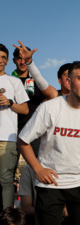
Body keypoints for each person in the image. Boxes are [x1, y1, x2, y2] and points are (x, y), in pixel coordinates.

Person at [17, 61, 80, 225]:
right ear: (69, 81)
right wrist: (38, 169)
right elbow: (23, 141)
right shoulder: (49, 108)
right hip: (50, 186)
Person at [12, 41, 58, 157]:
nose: (22, 62)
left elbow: (52, 95)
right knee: (9, 169)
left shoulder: (37, 81)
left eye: (24, 58)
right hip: (12, 130)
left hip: (35, 130)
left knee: (38, 167)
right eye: (18, 58)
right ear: (13, 61)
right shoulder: (9, 81)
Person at [0, 43, 29, 209]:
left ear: (7, 61)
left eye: (3, 57)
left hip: (8, 138)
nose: (0, 61)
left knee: (6, 180)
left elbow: (25, 109)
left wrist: (10, 102)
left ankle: (7, 217)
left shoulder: (14, 81)